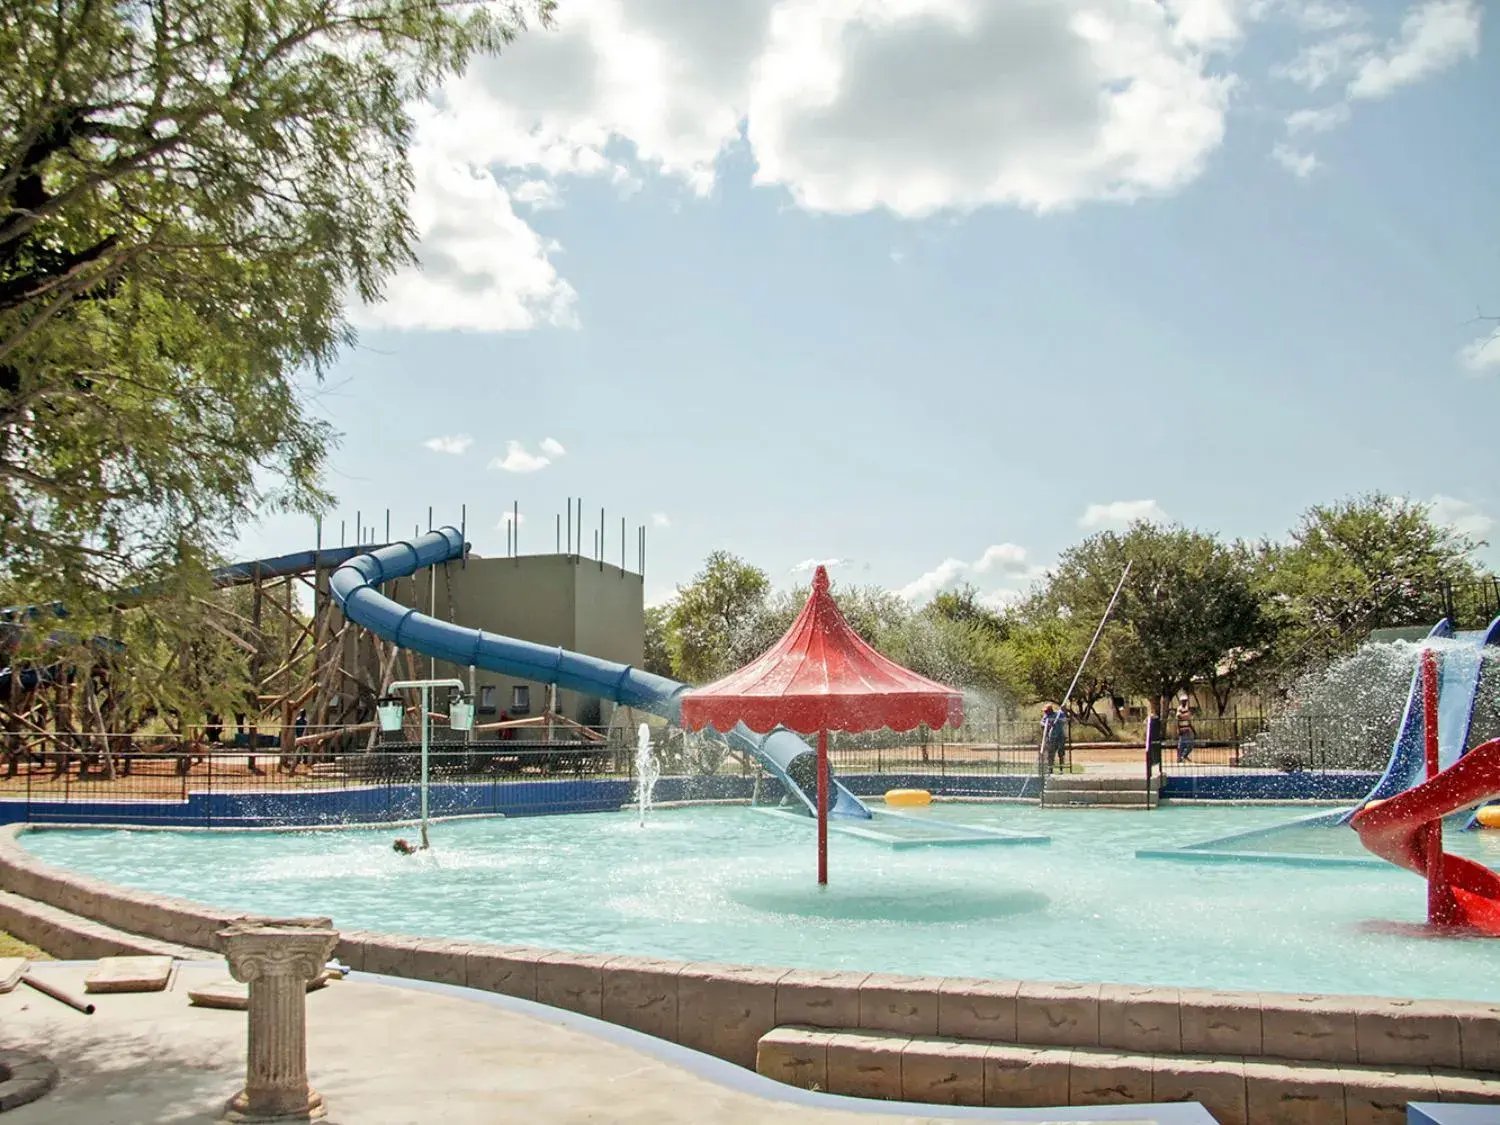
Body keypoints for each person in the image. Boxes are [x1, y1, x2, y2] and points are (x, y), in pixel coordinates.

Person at [1041, 704, 1067, 774]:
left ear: (1050, 710)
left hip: (1060, 737)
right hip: (1051, 737)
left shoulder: (1059, 714)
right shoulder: (1046, 716)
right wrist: (1047, 724)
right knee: (1051, 754)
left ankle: (1061, 769)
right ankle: (1050, 770)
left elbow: (1064, 720)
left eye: (1046, 711)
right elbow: (1042, 723)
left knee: (1061, 753)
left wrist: (1057, 720)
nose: (1045, 712)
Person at [1175, 693, 1196, 762]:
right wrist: (1178, 729)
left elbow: (1188, 720)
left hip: (1188, 729)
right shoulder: (1179, 709)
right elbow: (1178, 718)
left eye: (1185, 700)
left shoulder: (1187, 708)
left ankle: (1184, 755)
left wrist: (1193, 730)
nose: (1185, 702)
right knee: (1181, 745)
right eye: (1183, 700)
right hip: (1182, 729)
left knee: (1190, 744)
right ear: (1181, 701)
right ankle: (1179, 758)